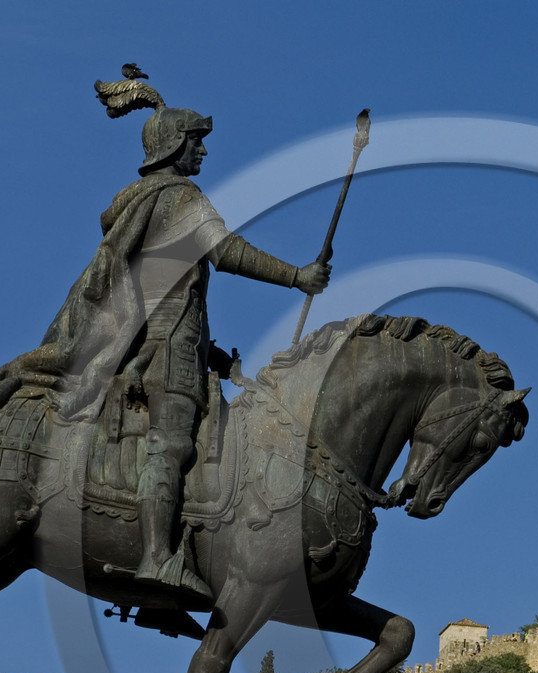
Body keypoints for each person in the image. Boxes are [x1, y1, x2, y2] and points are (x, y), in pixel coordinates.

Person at [43, 100, 329, 594]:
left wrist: (210, 353)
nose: (204, 151)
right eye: (197, 141)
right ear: (176, 145)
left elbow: (162, 288)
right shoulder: (179, 197)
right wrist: (297, 276)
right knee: (171, 445)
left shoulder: (146, 200)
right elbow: (227, 252)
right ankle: (157, 558)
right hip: (169, 349)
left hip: (177, 342)